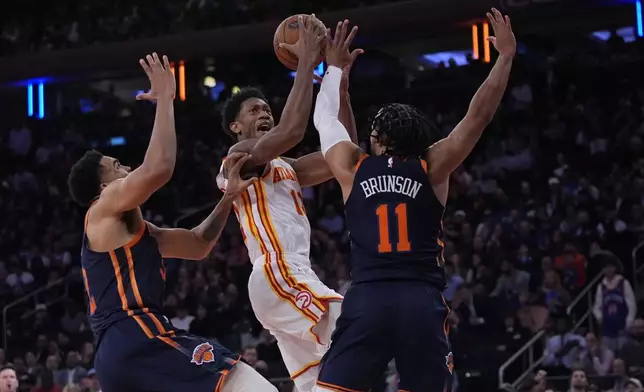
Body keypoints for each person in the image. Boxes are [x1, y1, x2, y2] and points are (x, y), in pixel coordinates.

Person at [312, 8, 515, 391]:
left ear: (375, 139)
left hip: (369, 297)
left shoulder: (353, 166)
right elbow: (478, 116)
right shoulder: (433, 165)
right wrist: (504, 58)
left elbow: (325, 120)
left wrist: (335, 71)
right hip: (420, 300)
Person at [67, 53, 275, 392]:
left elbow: (197, 245)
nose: (128, 169)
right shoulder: (102, 208)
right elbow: (160, 167)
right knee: (251, 387)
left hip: (116, 359)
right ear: (103, 187)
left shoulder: (136, 233)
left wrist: (229, 197)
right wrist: (165, 98)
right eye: (117, 165)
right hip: (138, 334)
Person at [216, 16, 361, 392]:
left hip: (297, 275)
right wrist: (308, 62)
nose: (264, 113)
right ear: (235, 126)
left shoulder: (290, 167)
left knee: (322, 381)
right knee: (359, 326)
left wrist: (339, 82)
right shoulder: (239, 157)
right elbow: (293, 130)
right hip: (276, 272)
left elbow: (344, 154)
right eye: (254, 110)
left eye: (267, 108)